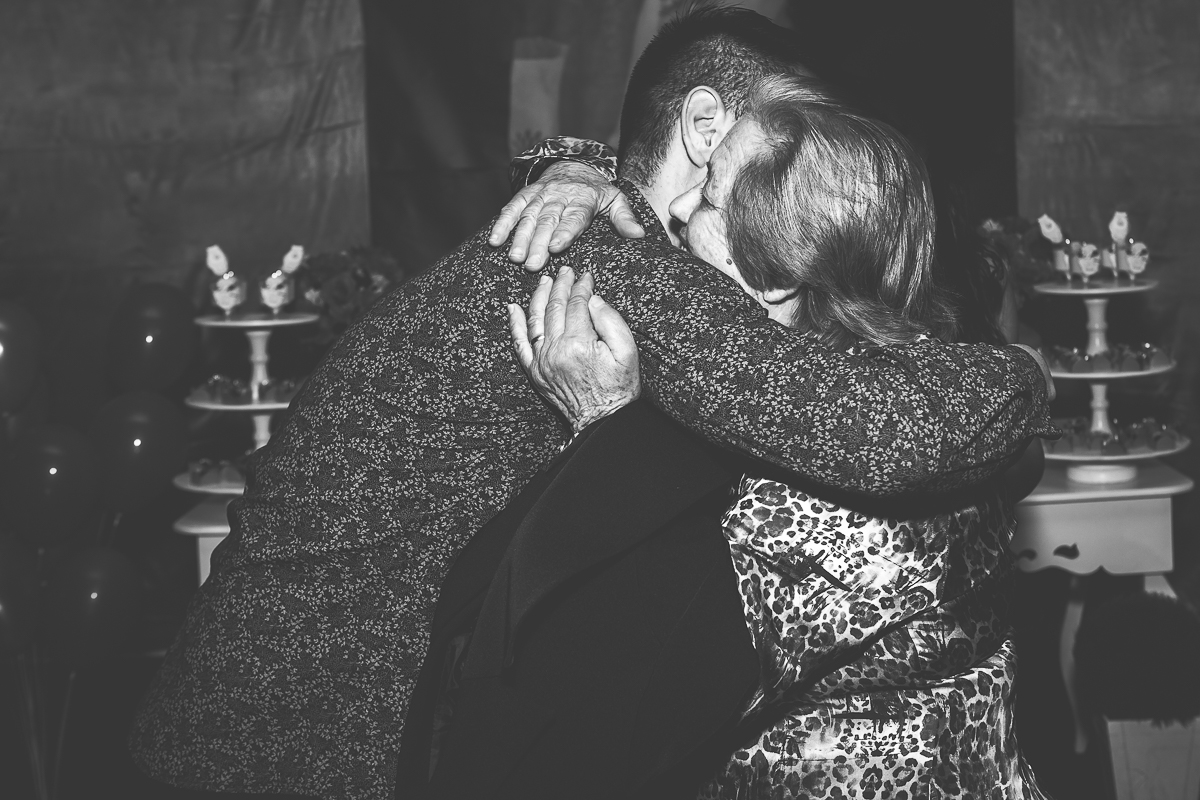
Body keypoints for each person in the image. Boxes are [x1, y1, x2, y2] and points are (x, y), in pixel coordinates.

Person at [130, 7, 1054, 799]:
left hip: (270, 723)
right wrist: (1018, 378)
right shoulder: (622, 273)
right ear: (706, 128)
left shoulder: (607, 246)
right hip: (289, 750)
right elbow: (888, 432)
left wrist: (573, 164)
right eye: (791, 128)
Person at [405, 75, 1052, 798]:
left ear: (775, 272)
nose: (677, 209)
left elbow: (602, 712)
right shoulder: (928, 398)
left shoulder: (803, 504)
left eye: (710, 196)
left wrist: (602, 432)